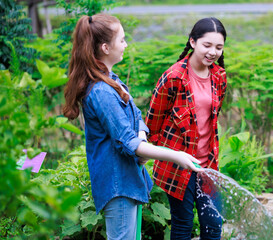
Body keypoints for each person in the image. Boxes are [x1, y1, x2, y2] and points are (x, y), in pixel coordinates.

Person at [63, 13, 202, 240]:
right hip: (118, 184)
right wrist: (175, 155)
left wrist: (142, 141)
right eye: (122, 40)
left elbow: (136, 116)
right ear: (106, 47)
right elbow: (128, 142)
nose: (126, 45)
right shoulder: (102, 92)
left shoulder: (112, 80)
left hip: (129, 177)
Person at [145, 17, 227, 239]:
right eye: (207, 45)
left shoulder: (219, 76)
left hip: (208, 163)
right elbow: (152, 123)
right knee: (183, 224)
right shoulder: (173, 78)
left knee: (213, 223)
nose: (213, 52)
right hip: (177, 165)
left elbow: (211, 118)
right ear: (193, 42)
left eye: (218, 47)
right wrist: (168, 153)